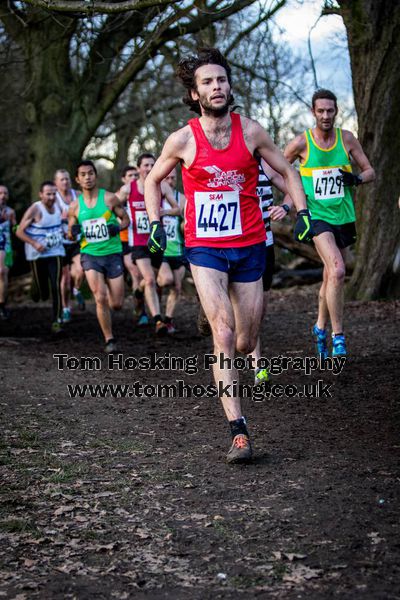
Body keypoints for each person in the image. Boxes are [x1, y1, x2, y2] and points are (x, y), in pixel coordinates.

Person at [144, 48, 312, 463]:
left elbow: (287, 171)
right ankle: (238, 431)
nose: (216, 87)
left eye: (221, 80)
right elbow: (152, 180)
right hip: (204, 247)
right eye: (207, 82)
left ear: (229, 85)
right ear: (195, 92)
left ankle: (213, 312)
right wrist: (153, 225)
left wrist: (301, 210)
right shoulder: (182, 139)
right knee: (222, 334)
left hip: (251, 243)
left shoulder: (251, 131)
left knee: (245, 339)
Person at [284, 89, 375, 359]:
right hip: (317, 216)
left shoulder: (347, 139)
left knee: (329, 276)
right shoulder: (301, 143)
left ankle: (319, 327)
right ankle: (338, 337)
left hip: (343, 217)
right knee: (337, 270)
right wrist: (289, 204)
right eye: (320, 111)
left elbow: (371, 171)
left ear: (336, 111)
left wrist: (357, 179)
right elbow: (282, 171)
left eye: (330, 110)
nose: (325, 115)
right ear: (313, 112)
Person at [68, 160, 130, 352]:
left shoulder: (110, 198)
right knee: (100, 297)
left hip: (112, 254)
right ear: (78, 179)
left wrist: (117, 227)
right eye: (83, 175)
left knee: (117, 303)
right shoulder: (74, 206)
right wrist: (73, 231)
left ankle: (112, 311)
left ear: (96, 175)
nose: (88, 178)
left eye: (91, 173)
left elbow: (126, 219)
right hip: (90, 254)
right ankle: (109, 339)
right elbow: (70, 232)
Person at [117, 153, 180, 335]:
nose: (149, 168)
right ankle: (158, 320)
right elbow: (111, 204)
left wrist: (162, 212)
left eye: (153, 164)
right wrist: (125, 217)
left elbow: (178, 209)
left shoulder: (163, 186)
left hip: (157, 240)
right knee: (151, 279)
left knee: (164, 280)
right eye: (145, 165)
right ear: (138, 168)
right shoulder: (129, 188)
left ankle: (139, 290)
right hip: (138, 243)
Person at [251, 159, 294, 384]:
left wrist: (285, 207)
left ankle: (248, 348)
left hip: (265, 244)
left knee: (259, 309)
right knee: (247, 309)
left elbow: (293, 188)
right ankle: (258, 365)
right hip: (237, 245)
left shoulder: (266, 166)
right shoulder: (225, 168)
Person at [16, 181, 65, 333]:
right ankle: (35, 286)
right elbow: (19, 231)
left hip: (55, 251)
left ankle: (57, 321)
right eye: (48, 194)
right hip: (37, 254)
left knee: (56, 286)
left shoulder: (58, 206)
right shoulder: (35, 209)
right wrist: (34, 243)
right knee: (42, 294)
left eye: (54, 193)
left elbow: (61, 224)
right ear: (41, 194)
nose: (51, 197)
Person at [116, 165, 148, 326]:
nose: (133, 177)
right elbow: (109, 208)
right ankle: (140, 309)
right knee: (134, 274)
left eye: (136, 175)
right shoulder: (122, 193)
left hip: (137, 240)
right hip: (122, 241)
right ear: (123, 179)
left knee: (140, 276)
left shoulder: (142, 192)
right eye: (130, 175)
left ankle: (140, 307)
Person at [157, 167, 187, 334]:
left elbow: (187, 221)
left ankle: (167, 320)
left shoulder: (181, 199)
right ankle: (153, 286)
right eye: (166, 178)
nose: (170, 181)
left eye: (173, 178)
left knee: (177, 287)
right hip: (162, 251)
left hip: (178, 249)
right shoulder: (156, 197)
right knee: (166, 280)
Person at [54, 169, 85, 322]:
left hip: (75, 241)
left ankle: (77, 289)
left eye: (67, 179)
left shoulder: (78, 195)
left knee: (80, 270)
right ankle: (66, 308)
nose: (65, 182)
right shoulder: (53, 198)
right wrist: (59, 218)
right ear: (56, 183)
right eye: (61, 180)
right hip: (60, 243)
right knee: (64, 279)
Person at [0, 185, 16, 320]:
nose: (3, 196)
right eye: (0, 193)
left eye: (5, 193)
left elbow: (15, 228)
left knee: (3, 273)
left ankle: (2, 304)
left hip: (6, 246)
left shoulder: (10, 212)